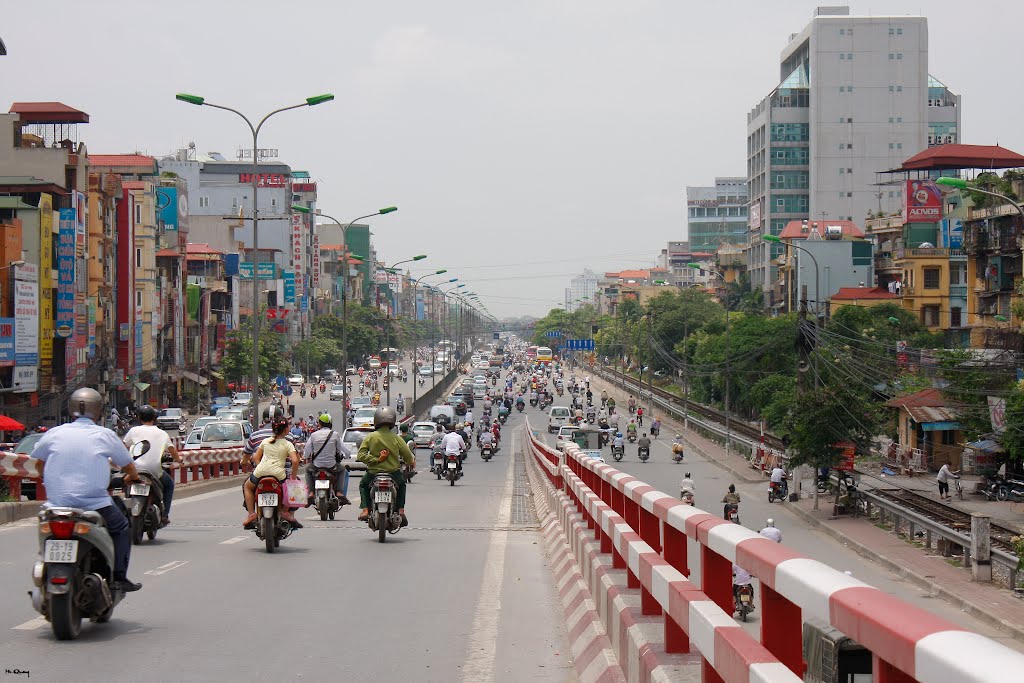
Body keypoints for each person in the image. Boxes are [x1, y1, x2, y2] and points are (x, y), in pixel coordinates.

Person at [33, 388, 144, 593]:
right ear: (99, 411)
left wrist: (47, 478)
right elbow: (128, 466)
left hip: (55, 506)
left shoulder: (54, 432)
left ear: (71, 408)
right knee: (121, 527)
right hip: (95, 504)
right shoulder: (105, 435)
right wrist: (134, 478)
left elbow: (39, 464)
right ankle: (119, 576)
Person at [123, 405, 182, 526]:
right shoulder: (162, 433)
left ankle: (127, 503)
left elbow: (123, 448)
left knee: (124, 482)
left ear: (139, 418)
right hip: (155, 471)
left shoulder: (133, 431)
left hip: (135, 470)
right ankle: (164, 515)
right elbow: (172, 450)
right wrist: (178, 460)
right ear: (154, 418)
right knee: (169, 484)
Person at [356, 407, 415, 525]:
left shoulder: (370, 437)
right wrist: (409, 462)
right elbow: (408, 457)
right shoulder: (397, 438)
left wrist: (375, 460)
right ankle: (401, 510)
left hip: (373, 473)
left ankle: (366, 510)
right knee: (402, 485)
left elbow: (361, 455)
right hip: (393, 473)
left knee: (363, 484)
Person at [243, 418, 302, 530]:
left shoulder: (265, 441)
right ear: (286, 430)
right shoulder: (287, 444)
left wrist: (261, 466)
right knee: (293, 488)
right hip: (278, 474)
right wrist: (293, 477)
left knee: (247, 486)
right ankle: (285, 512)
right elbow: (295, 461)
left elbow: (255, 457)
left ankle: (251, 514)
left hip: (260, 472)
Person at [302, 413, 351, 507]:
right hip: (331, 466)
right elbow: (344, 450)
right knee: (342, 471)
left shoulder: (313, 435)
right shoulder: (335, 434)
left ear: (319, 424)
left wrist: (305, 457)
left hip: (316, 466)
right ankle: (340, 493)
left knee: (308, 470)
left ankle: (311, 492)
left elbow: (306, 453)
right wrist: (347, 455)